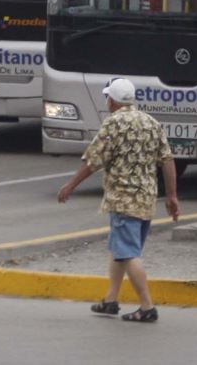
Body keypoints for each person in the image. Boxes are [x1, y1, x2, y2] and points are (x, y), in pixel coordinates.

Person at [56, 77, 180, 324]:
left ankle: (147, 306)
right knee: (120, 250)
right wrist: (172, 195)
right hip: (145, 200)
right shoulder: (150, 122)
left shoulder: (113, 124)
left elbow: (92, 161)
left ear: (111, 100)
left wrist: (70, 186)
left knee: (128, 253)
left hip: (123, 200)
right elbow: (167, 160)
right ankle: (110, 300)